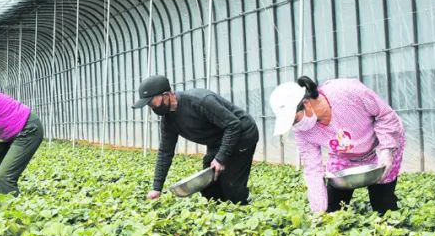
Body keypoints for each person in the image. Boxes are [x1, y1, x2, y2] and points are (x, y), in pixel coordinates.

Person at [269, 76, 405, 215]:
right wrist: (319, 212)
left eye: (295, 119)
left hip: (381, 145)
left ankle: (390, 224)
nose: (295, 125)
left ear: (306, 103)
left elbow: (385, 116)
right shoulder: (303, 131)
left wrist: (387, 150)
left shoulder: (347, 92)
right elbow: (313, 170)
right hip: (345, 153)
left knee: (382, 202)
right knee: (333, 207)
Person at [133, 75, 258, 203]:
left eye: (152, 102)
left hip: (243, 134)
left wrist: (220, 158)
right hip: (218, 140)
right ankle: (220, 216)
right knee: (208, 186)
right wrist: (157, 188)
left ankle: (244, 202)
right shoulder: (168, 120)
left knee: (231, 187)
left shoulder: (199, 101)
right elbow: (165, 152)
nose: (151, 106)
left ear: (166, 94)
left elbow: (233, 125)